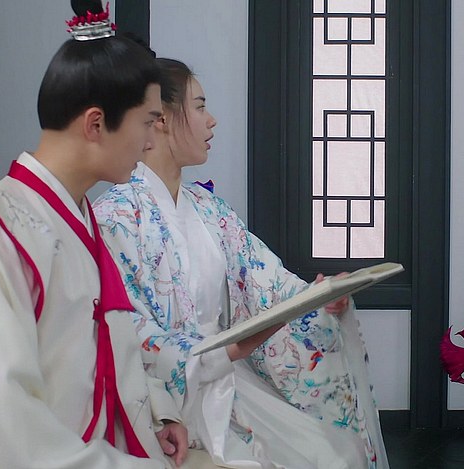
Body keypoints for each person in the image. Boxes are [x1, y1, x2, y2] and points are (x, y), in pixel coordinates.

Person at [0, 2, 201, 467]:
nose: (150, 142)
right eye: (147, 122)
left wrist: (155, 410)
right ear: (96, 123)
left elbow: (109, 343)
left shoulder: (82, 218)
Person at [92, 58, 388, 469]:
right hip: (165, 397)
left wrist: (320, 297)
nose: (211, 120)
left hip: (227, 378)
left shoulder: (209, 209)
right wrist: (213, 354)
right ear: (160, 118)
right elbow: (125, 328)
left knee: (337, 454)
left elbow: (265, 279)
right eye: (199, 106)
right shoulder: (116, 216)